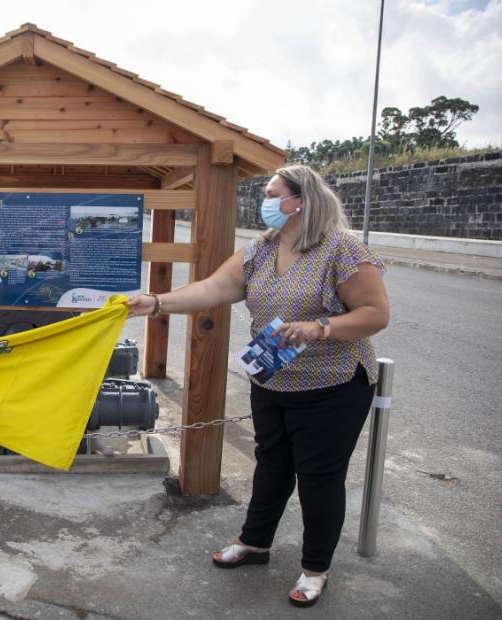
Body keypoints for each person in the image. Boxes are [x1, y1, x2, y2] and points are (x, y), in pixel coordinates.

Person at [126, 164, 389, 608]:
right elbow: (213, 288)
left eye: (272, 194)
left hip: (333, 384)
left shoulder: (341, 248)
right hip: (273, 377)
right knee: (271, 464)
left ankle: (315, 569)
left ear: (299, 200)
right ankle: (255, 542)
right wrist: (156, 303)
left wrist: (320, 328)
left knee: (319, 478)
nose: (265, 202)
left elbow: (375, 313)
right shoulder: (262, 249)